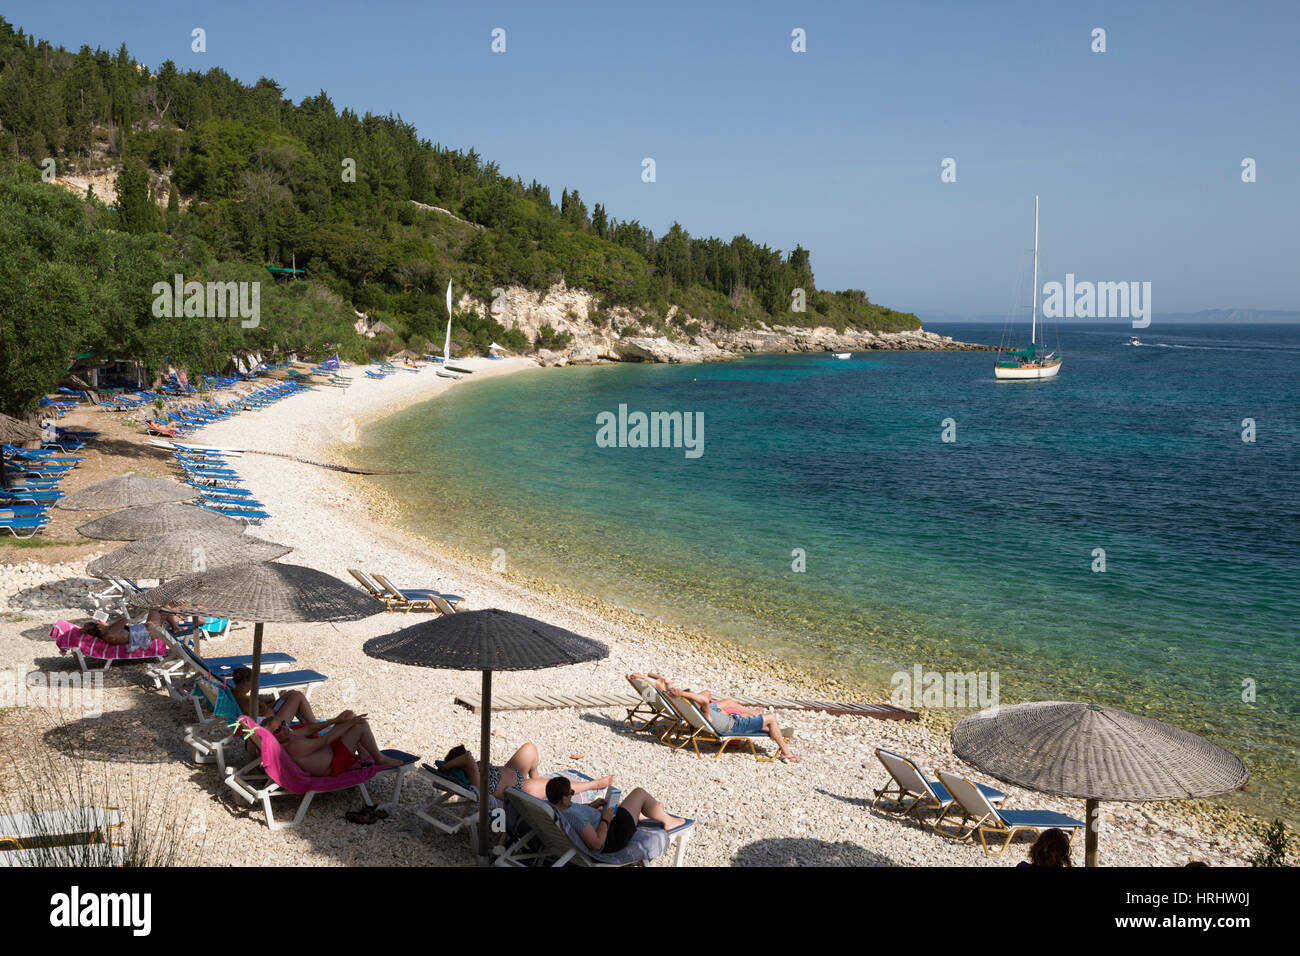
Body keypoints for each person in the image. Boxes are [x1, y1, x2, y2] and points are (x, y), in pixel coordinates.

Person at [632, 671, 798, 762]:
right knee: (771, 718)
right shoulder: (706, 713)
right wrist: (683, 693)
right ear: (698, 704)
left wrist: (651, 679)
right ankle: (785, 751)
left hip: (732, 721)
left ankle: (770, 728)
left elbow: (702, 699)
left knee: (734, 707)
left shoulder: (699, 713)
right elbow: (704, 700)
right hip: (735, 726)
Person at [545, 775, 685, 855]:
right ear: (563, 798)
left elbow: (575, 810)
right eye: (571, 793)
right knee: (639, 793)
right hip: (613, 836)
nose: (573, 793)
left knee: (624, 805)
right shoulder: (574, 818)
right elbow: (597, 844)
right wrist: (605, 820)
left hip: (606, 824)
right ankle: (667, 820)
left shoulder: (555, 806)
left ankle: (647, 813)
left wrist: (592, 806)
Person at [439, 743, 612, 802]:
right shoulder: (475, 779)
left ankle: (540, 785)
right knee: (558, 786)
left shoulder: (474, 771)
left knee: (529, 748)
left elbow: (468, 759)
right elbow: (468, 758)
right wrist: (446, 767)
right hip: (520, 789)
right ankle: (595, 784)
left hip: (514, 772)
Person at [266, 710, 404, 775]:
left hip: (331, 751)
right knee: (360, 724)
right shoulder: (293, 746)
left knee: (349, 714)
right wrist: (352, 723)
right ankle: (379, 758)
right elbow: (325, 739)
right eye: (278, 729)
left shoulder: (288, 736)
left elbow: (309, 729)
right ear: (273, 737)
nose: (284, 728)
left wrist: (335, 721)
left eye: (283, 723)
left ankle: (363, 753)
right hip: (334, 764)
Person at [229, 666, 316, 727]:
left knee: (291, 693)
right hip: (273, 724)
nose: (253, 685)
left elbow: (259, 711)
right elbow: (256, 718)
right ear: (244, 681)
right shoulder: (244, 701)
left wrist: (269, 707)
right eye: (252, 682)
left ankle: (308, 723)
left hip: (270, 716)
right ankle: (314, 725)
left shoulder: (237, 694)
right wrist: (269, 711)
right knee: (297, 696)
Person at [82, 609, 185, 652]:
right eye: (99, 624)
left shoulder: (108, 633)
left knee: (164, 610)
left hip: (148, 630)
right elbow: (124, 620)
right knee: (156, 607)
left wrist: (106, 625)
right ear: (99, 628)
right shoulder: (110, 633)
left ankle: (175, 627)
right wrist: (107, 625)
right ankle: (176, 626)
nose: (102, 623)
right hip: (150, 632)